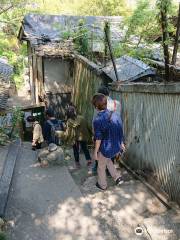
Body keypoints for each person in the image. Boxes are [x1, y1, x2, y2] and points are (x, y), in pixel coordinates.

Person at [92, 94, 125, 190]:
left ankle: (102, 185)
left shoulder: (98, 120)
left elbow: (98, 139)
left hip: (106, 149)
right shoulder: (116, 115)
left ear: (96, 107)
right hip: (116, 146)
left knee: (101, 166)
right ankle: (117, 177)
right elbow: (120, 129)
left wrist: (95, 152)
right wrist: (121, 143)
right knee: (107, 160)